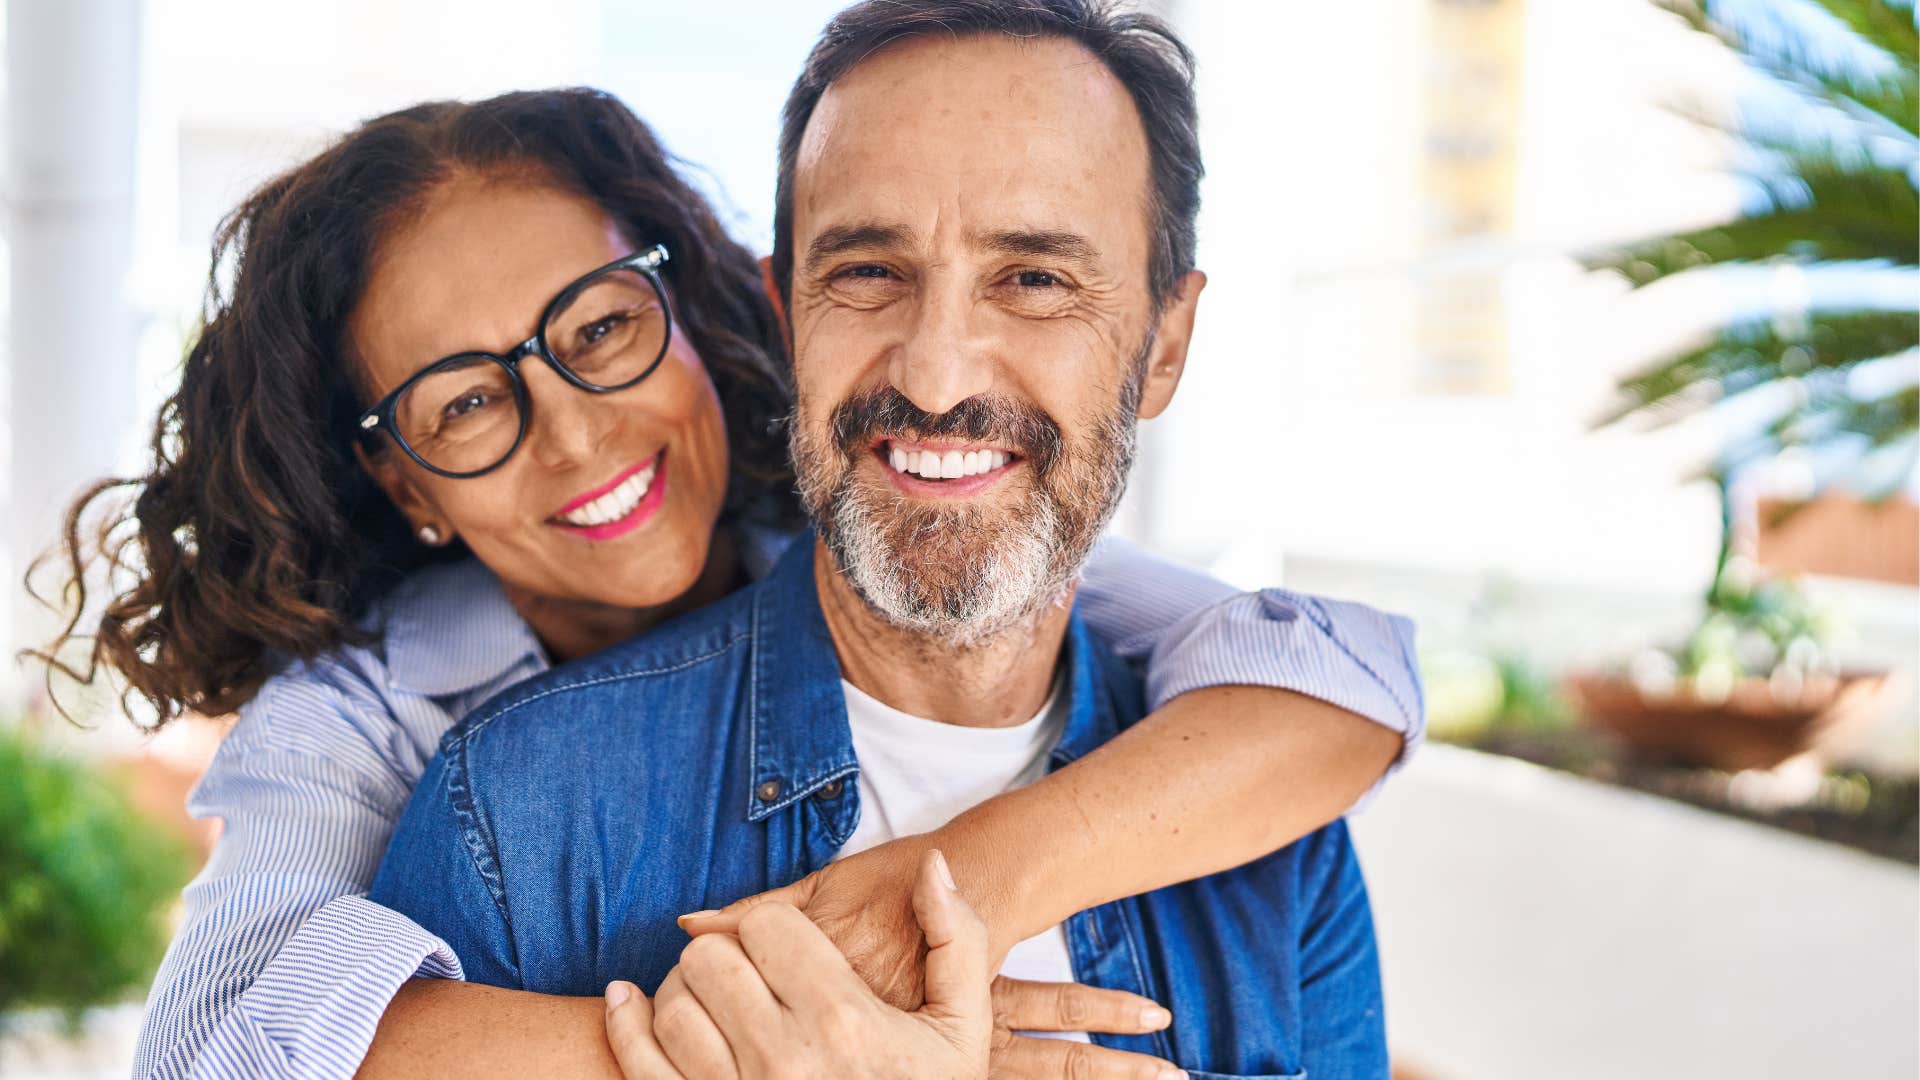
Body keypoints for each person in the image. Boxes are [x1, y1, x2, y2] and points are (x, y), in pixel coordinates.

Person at [369, 2, 1396, 1077]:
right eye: (866, 273)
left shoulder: (1277, 845)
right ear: (787, 312)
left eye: (1035, 280)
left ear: (1164, 345)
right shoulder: (523, 807)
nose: (935, 376)